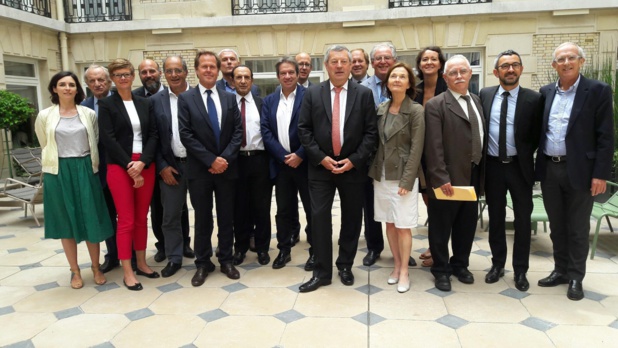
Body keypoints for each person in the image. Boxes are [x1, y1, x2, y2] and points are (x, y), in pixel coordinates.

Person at [536, 42, 614, 301]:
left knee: (578, 228)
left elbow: (606, 136)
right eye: (561, 59)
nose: (566, 62)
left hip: (581, 171)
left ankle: (575, 277)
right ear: (554, 65)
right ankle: (560, 270)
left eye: (571, 58)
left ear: (581, 61)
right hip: (550, 168)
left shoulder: (598, 90)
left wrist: (600, 174)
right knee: (557, 226)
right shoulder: (546, 92)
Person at [298, 45, 378, 292]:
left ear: (351, 64)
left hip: (352, 168)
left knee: (352, 219)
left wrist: (354, 160)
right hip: (321, 168)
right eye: (335, 61)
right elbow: (304, 129)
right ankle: (322, 272)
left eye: (344, 61)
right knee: (320, 219)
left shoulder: (363, 94)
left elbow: (371, 133)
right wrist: (321, 158)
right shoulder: (313, 94)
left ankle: (345, 265)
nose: (340, 66)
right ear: (326, 65)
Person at [35, 71, 113, 289]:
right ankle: (75, 271)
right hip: (58, 171)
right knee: (66, 222)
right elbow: (44, 142)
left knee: (91, 219)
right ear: (54, 89)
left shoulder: (88, 114)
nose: (67, 88)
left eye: (71, 84)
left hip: (85, 168)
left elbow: (95, 141)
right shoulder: (45, 116)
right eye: (62, 84)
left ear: (78, 89)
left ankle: (96, 267)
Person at [480, 50, 543, 291]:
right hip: (493, 167)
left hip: (520, 168)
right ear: (496, 72)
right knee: (495, 218)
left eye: (515, 65)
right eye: (505, 66)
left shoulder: (534, 99)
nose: (510, 69)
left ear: (521, 69)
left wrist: (524, 153)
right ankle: (497, 265)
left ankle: (520, 270)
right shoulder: (485, 95)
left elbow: (537, 135)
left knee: (522, 221)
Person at [179, 50, 243, 287]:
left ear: (218, 71)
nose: (208, 70)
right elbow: (186, 135)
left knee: (227, 217)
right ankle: (202, 262)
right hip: (199, 171)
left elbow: (238, 132)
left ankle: (226, 259)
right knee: (203, 219)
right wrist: (210, 160)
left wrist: (223, 159)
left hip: (227, 169)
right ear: (196, 70)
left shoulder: (229, 97)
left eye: (212, 67)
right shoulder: (187, 99)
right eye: (204, 66)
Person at [424, 55, 486, 292]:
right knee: (441, 227)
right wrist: (441, 179)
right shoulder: (436, 105)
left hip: (473, 175)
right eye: (453, 72)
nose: (459, 76)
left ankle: (460, 264)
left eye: (463, 71)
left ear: (470, 74)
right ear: (445, 77)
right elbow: (433, 146)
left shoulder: (477, 101)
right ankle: (441, 269)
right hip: (447, 179)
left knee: (466, 225)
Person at [99, 58, 159, 291]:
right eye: (118, 75)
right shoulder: (106, 105)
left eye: (126, 74)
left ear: (133, 75)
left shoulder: (144, 103)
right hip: (119, 168)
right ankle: (127, 271)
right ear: (112, 79)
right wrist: (129, 166)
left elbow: (153, 135)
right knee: (125, 220)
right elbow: (108, 139)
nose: (123, 78)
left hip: (145, 166)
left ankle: (142, 263)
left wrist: (142, 162)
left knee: (141, 218)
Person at [368, 62, 425, 293]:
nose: (397, 80)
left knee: (403, 226)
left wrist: (407, 181)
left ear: (409, 83)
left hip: (403, 176)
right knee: (389, 223)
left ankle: (404, 272)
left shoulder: (416, 111)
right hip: (381, 175)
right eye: (393, 76)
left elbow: (417, 149)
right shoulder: (381, 108)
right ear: (388, 82)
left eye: (402, 76)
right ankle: (397, 264)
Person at [261, 57, 313, 270]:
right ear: (278, 76)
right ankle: (284, 250)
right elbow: (265, 131)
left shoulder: (310, 96)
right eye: (283, 73)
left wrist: (300, 153)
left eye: (291, 72)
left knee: (313, 209)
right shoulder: (269, 101)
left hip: (306, 163)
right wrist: (283, 156)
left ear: (298, 73)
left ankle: (316, 251)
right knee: (283, 210)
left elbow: (317, 128)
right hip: (281, 166)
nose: (288, 76)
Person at [150, 56, 195, 278]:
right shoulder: (156, 101)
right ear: (164, 74)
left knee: (205, 213)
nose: (174, 75)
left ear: (186, 72)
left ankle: (204, 256)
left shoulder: (198, 96)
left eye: (178, 70)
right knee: (170, 216)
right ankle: (174, 257)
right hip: (171, 167)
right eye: (169, 71)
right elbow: (153, 138)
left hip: (198, 166)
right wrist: (162, 166)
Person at [231, 64, 273, 266]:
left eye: (246, 77)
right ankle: (240, 248)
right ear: (232, 80)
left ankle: (263, 249)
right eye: (238, 77)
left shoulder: (262, 103)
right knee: (239, 208)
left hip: (259, 160)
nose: (242, 81)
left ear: (252, 80)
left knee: (261, 207)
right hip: (235, 160)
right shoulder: (226, 103)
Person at [361, 42, 397, 267]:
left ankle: (399, 250)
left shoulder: (404, 84)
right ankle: (374, 247)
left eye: (387, 58)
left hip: (396, 157)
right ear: (372, 63)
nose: (383, 62)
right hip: (369, 156)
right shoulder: (363, 88)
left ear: (394, 61)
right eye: (378, 58)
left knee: (396, 204)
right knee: (370, 204)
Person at [81, 65, 119, 274]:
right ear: (87, 84)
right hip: (97, 172)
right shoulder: (83, 108)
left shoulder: (121, 101)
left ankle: (129, 254)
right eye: (92, 81)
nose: (97, 84)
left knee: (126, 215)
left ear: (109, 81)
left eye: (101, 80)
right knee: (106, 216)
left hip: (122, 168)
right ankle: (112, 255)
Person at [413, 46, 448, 268]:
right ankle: (433, 246)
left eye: (433, 59)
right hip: (420, 157)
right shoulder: (414, 90)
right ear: (419, 64)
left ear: (440, 63)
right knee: (429, 204)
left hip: (442, 156)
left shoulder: (447, 88)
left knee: (442, 206)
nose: (428, 62)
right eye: (424, 59)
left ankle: (439, 251)